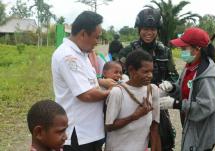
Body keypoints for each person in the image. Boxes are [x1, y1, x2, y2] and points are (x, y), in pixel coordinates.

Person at [118, 8, 178, 150]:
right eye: (145, 29)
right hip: (132, 104)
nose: (148, 33)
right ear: (139, 29)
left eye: (152, 29)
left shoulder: (165, 51)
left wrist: (170, 85)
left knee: (164, 141)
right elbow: (114, 71)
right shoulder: (128, 50)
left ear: (157, 30)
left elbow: (175, 77)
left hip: (157, 102)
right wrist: (123, 77)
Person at [51, 11, 111, 151]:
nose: (97, 42)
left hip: (90, 131)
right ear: (83, 34)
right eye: (96, 37)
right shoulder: (68, 56)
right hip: (79, 133)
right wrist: (113, 92)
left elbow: (87, 81)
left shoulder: (82, 54)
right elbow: (85, 94)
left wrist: (101, 82)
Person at [159, 27, 215, 151]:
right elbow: (183, 88)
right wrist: (172, 88)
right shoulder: (190, 65)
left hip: (203, 129)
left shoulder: (206, 75)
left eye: (184, 48)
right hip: (191, 123)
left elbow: (205, 106)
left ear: (197, 49)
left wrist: (177, 104)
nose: (181, 51)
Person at [105, 50, 161, 151]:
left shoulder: (153, 90)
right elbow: (109, 126)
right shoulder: (118, 92)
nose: (150, 75)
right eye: (145, 71)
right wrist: (134, 116)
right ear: (131, 70)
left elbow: (154, 127)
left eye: (151, 71)